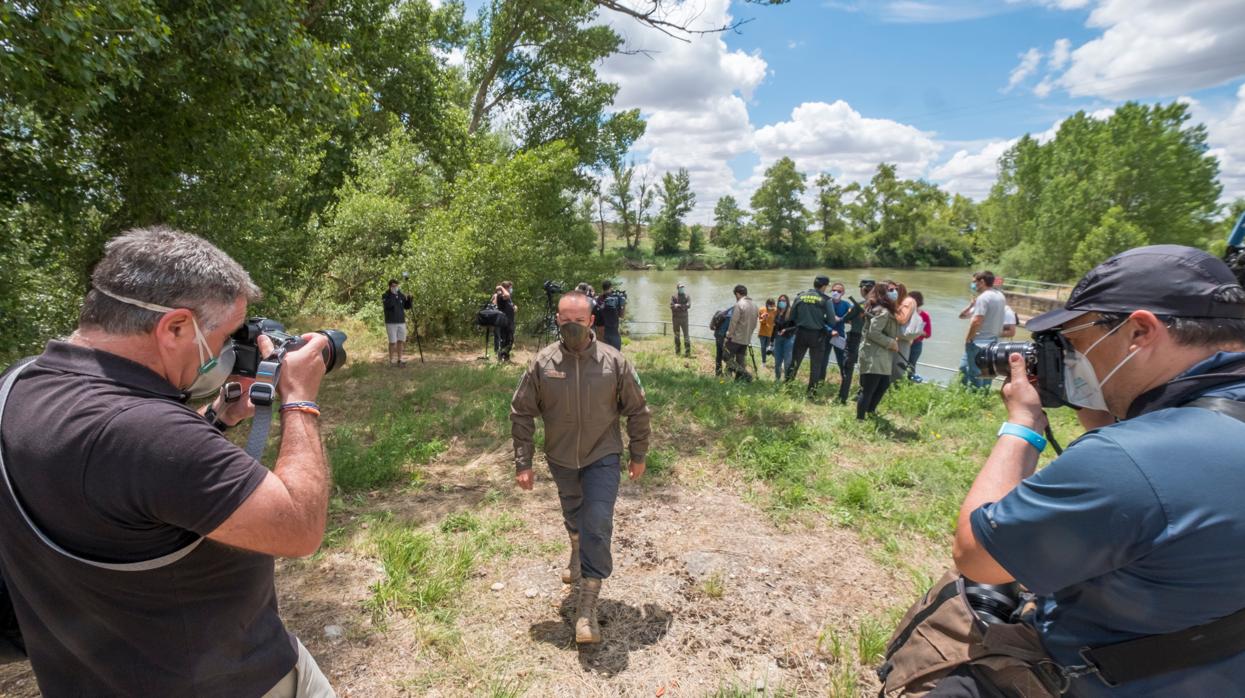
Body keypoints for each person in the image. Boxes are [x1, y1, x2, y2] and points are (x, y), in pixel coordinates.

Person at [0, 227, 335, 697]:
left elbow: (126, 487)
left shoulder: (18, 385)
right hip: (227, 682)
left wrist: (214, 418)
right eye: (223, 335)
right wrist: (300, 400)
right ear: (175, 327)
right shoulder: (150, 435)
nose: (224, 349)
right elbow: (298, 527)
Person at [943, 245, 1245, 697]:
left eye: (1076, 343)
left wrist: (1023, 426)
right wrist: (1118, 417)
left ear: (1140, 331)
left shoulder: (1129, 460)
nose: (1070, 358)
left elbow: (977, 554)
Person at [510, 291, 651, 646]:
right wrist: (523, 462)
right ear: (557, 320)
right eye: (565, 319)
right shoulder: (542, 363)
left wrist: (639, 453)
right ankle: (576, 545)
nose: (571, 325)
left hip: (602, 455)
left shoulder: (614, 362)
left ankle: (587, 605)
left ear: (591, 321)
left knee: (598, 521)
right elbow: (521, 412)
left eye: (579, 319)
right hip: (560, 459)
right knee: (574, 514)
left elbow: (637, 409)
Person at [785, 275, 835, 396]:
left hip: (801, 333)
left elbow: (791, 317)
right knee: (816, 365)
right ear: (824, 286)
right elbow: (832, 321)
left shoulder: (800, 296)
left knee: (795, 362)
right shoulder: (826, 299)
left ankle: (787, 388)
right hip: (817, 336)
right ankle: (811, 393)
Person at [857, 280, 900, 420]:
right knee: (869, 388)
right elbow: (873, 333)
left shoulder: (883, 309)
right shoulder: (882, 311)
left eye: (895, 289)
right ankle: (860, 419)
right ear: (883, 292)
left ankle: (870, 412)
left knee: (882, 385)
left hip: (881, 354)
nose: (895, 292)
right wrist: (891, 342)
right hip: (874, 354)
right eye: (891, 289)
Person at [960, 270, 1006, 388]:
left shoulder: (983, 298)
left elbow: (976, 321)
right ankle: (983, 395)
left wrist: (968, 338)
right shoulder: (1000, 295)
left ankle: (974, 397)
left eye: (975, 282)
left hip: (978, 341)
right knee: (985, 372)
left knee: (974, 371)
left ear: (982, 282)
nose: (973, 285)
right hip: (993, 340)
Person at [837, 280, 872, 404]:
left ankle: (842, 397)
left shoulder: (859, 305)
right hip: (871, 340)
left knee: (848, 367)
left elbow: (845, 319)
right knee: (866, 368)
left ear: (862, 290)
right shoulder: (880, 307)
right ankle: (862, 396)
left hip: (855, 338)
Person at [724, 285, 759, 382]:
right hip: (746, 339)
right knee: (740, 360)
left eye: (735, 295)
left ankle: (743, 375)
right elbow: (755, 324)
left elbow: (733, 322)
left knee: (727, 356)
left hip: (735, 338)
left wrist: (728, 335)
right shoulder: (755, 306)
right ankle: (738, 381)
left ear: (737, 294)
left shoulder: (739, 304)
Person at [892, 282, 918, 382]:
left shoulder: (908, 301)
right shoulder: (899, 302)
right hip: (895, 338)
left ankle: (896, 390)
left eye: (895, 290)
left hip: (901, 339)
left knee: (897, 368)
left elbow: (902, 319)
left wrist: (890, 309)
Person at [383, 278, 412, 366]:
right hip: (391, 322)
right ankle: (391, 360)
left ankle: (400, 359)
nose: (395, 288)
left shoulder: (401, 295)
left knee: (400, 341)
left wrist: (410, 299)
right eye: (393, 286)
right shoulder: (386, 295)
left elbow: (407, 307)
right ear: (390, 287)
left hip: (401, 321)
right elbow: (389, 305)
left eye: (396, 286)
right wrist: (393, 295)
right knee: (392, 342)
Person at [826, 282, 851, 381]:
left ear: (843, 293)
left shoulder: (846, 304)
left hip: (839, 336)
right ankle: (819, 382)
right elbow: (820, 320)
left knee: (842, 360)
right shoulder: (826, 303)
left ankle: (844, 381)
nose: (836, 292)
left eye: (839, 291)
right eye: (834, 290)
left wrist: (841, 319)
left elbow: (851, 316)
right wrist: (829, 330)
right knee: (823, 361)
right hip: (826, 335)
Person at [906, 290, 932, 380]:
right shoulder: (904, 313)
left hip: (916, 344)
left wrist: (919, 331)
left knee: (911, 366)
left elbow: (928, 334)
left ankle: (908, 385)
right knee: (898, 365)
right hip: (903, 342)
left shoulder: (925, 315)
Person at [594, 280, 625, 351]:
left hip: (601, 332)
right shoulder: (615, 298)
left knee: (603, 354)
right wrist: (623, 304)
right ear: (611, 287)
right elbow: (622, 315)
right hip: (613, 331)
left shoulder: (598, 299)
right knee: (616, 354)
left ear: (602, 288)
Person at [771, 294, 796, 381]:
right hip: (778, 339)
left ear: (787, 302)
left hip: (789, 339)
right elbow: (774, 328)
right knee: (777, 362)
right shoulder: (777, 312)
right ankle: (777, 380)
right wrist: (771, 341)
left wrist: (786, 330)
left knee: (787, 362)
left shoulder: (791, 312)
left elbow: (796, 326)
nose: (782, 302)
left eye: (784, 301)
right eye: (780, 300)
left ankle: (787, 381)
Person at [491, 281, 517, 362]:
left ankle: (506, 357)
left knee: (510, 340)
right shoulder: (500, 295)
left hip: (510, 321)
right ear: (506, 288)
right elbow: (506, 295)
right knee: (505, 340)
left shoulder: (508, 298)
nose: (511, 289)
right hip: (504, 322)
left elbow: (510, 304)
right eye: (510, 288)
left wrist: (514, 307)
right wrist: (501, 287)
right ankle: (501, 357)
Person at [670, 282, 692, 356]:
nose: (682, 289)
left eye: (683, 287)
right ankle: (678, 352)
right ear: (678, 288)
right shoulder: (674, 296)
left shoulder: (687, 296)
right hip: (675, 319)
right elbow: (672, 307)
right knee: (676, 335)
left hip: (684, 319)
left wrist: (678, 305)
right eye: (680, 287)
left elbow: (688, 306)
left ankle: (688, 352)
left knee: (686, 336)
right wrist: (682, 307)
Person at [712, 304, 734, 377]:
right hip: (724, 337)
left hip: (717, 335)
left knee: (718, 354)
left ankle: (718, 373)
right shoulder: (733, 314)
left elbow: (713, 326)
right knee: (728, 356)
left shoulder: (725, 311)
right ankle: (728, 374)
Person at [758, 298, 776, 365]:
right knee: (763, 348)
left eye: (773, 305)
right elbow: (760, 321)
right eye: (770, 305)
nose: (771, 307)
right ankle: (763, 362)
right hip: (762, 332)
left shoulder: (776, 310)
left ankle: (778, 361)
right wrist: (764, 318)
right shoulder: (761, 309)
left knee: (771, 348)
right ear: (767, 304)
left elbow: (778, 320)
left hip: (771, 333)